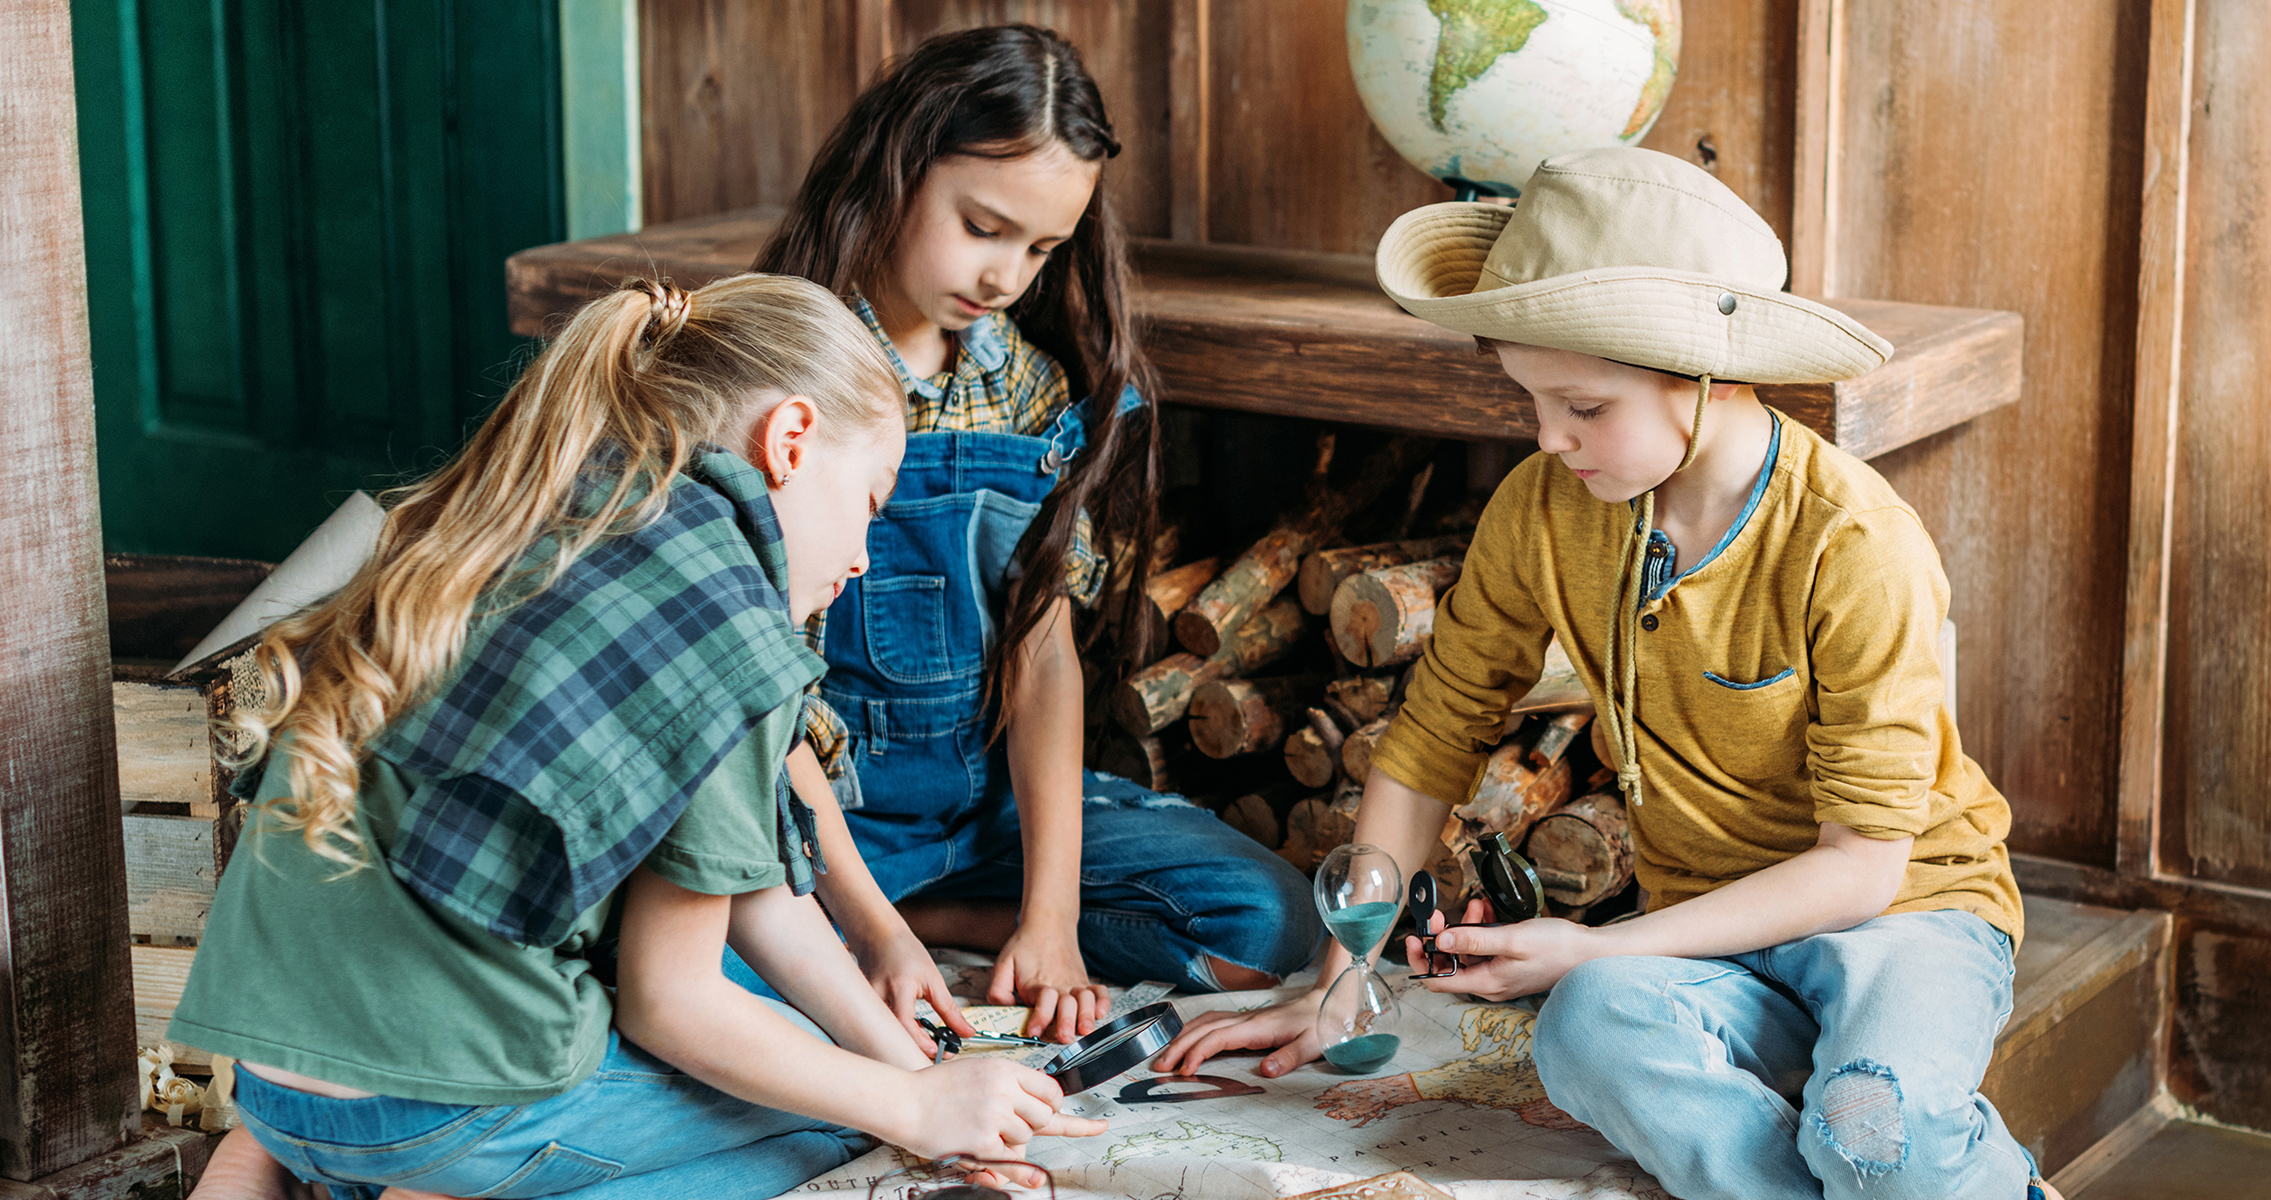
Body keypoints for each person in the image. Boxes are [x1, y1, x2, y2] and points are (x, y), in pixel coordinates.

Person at [1155, 147, 2060, 1200]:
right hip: (1711, 938)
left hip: (1904, 919)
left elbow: (1861, 868)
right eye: (1532, 402)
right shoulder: (1541, 510)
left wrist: (1601, 943)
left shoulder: (1855, 541)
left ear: (1703, 374)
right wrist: (1341, 976)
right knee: (1585, 1031)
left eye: (1583, 408)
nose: (1549, 439)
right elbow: (1435, 733)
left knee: (1869, 1125)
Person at [169, 274, 1101, 1200]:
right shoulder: (725, 614)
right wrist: (914, 1110)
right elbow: (673, 1005)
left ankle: (271, 1168)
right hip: (432, 1113)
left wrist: (917, 1073)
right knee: (838, 1115)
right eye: (869, 502)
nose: (862, 557)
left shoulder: (538, 509)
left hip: (277, 1086)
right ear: (791, 440)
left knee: (857, 1078)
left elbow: (757, 899)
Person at [750, 24, 1318, 1044]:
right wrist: (868, 931)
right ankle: (879, 926)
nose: (1007, 274)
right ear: (900, 166)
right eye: (982, 226)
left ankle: (955, 920)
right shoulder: (781, 368)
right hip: (807, 819)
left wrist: (1052, 922)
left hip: (979, 822)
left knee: (1269, 923)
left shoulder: (1026, 385)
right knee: (676, 974)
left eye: (1042, 247)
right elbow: (755, 698)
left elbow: (1041, 653)